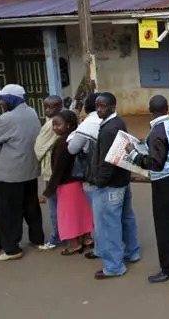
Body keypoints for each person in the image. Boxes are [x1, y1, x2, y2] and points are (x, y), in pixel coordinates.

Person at [127, 95, 169, 284]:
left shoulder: (157, 132)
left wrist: (134, 154)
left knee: (164, 225)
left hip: (164, 180)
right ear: (167, 108)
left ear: (150, 110)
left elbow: (155, 163)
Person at [0, 84, 44, 261]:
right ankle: (37, 239)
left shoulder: (6, 119)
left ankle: (12, 249)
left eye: (2, 99)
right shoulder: (32, 112)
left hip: (9, 174)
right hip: (30, 170)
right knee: (31, 207)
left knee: (8, 212)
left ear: (11, 99)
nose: (0, 102)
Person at [91, 93, 140, 279]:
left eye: (103, 106)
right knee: (126, 218)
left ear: (113, 106)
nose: (99, 109)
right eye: (97, 106)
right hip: (122, 181)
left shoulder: (109, 129)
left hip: (110, 185)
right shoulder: (118, 122)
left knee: (108, 225)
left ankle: (113, 266)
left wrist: (100, 182)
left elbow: (106, 161)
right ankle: (132, 252)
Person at [40, 110, 93, 256]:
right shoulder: (76, 138)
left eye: (58, 125)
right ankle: (87, 239)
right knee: (82, 212)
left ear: (68, 125)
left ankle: (74, 244)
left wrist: (49, 190)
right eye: (54, 125)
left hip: (67, 185)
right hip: (79, 182)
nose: (55, 128)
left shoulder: (62, 143)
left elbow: (58, 170)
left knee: (67, 216)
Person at [67, 93, 102, 260]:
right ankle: (130, 250)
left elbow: (72, 149)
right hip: (115, 175)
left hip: (93, 175)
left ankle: (101, 249)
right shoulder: (114, 121)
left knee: (99, 215)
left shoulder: (87, 125)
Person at [35, 95, 64, 251]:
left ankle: (57, 236)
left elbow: (39, 149)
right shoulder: (59, 121)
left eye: (53, 106)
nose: (48, 110)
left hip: (51, 171)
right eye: (46, 107)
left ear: (60, 106)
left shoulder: (53, 124)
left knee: (55, 207)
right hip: (57, 170)